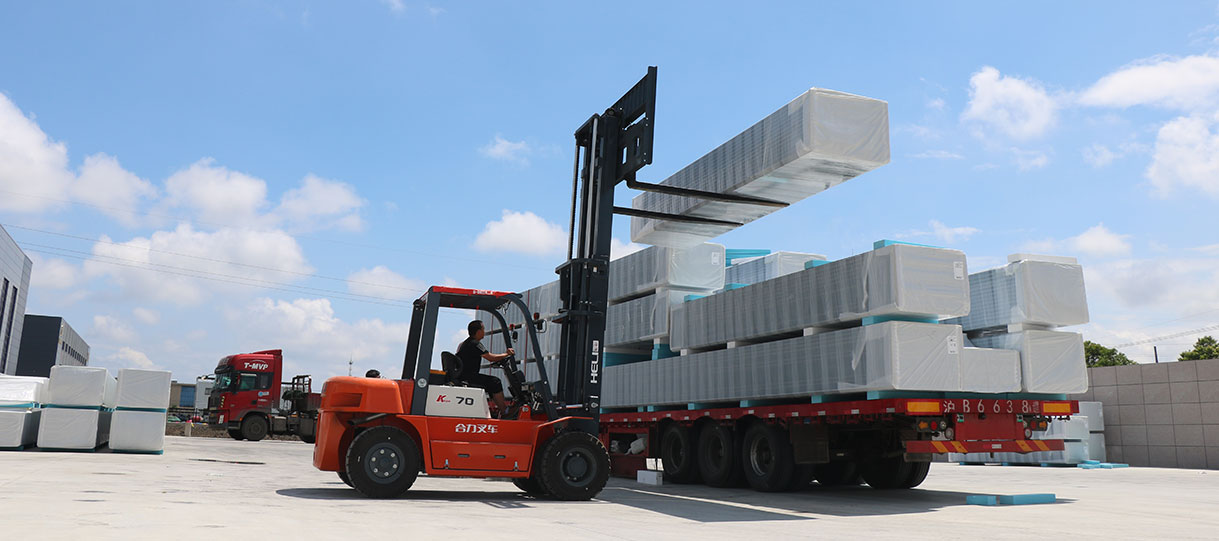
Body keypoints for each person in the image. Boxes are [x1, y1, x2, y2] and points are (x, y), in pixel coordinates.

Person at [455, 319, 513, 415]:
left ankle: (497, 410)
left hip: (464, 375)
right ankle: (504, 411)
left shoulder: (465, 343)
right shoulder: (475, 344)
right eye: (483, 329)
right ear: (478, 331)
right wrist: (506, 354)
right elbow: (491, 357)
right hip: (469, 377)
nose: (484, 332)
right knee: (495, 382)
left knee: (489, 383)